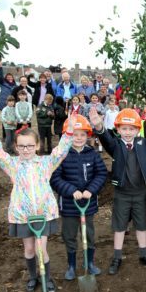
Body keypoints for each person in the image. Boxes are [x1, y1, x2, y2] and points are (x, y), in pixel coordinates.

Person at [0, 110, 75, 292]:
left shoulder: (46, 163)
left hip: (43, 214)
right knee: (29, 249)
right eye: (22, 146)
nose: (26, 149)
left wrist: (69, 131)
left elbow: (61, 151)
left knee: (41, 248)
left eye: (30, 146)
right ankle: (32, 276)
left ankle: (47, 278)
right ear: (16, 147)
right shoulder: (12, 165)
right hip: (23, 215)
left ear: (37, 145)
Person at [89, 107, 146, 275]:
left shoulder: (142, 144)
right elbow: (105, 138)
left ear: (138, 129)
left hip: (140, 193)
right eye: (124, 128)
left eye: (132, 129)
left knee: (141, 224)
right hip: (122, 193)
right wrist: (98, 126)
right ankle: (117, 257)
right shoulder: (115, 145)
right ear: (118, 129)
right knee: (119, 226)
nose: (128, 132)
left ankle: (143, 254)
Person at [50, 115, 108, 280]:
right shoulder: (61, 155)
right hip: (68, 205)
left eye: (83, 134)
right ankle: (71, 265)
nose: (79, 138)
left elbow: (101, 173)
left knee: (88, 234)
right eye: (75, 134)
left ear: (88, 135)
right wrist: (71, 190)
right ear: (67, 135)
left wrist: (91, 189)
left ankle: (89, 263)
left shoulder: (92, 153)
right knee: (69, 235)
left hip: (88, 204)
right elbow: (55, 178)